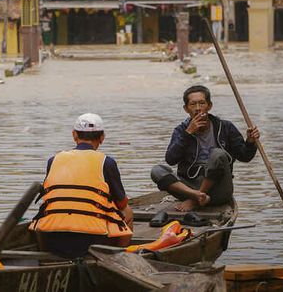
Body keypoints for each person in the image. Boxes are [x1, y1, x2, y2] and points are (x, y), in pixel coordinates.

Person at [29, 113, 133, 258]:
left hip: (52, 237)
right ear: (102, 137)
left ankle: (47, 257)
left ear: (74, 135)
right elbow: (121, 203)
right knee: (127, 211)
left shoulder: (53, 160)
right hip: (93, 239)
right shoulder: (106, 162)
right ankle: (120, 257)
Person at [151, 85, 260, 212]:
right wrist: (188, 133)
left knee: (217, 154)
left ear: (209, 106)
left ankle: (195, 200)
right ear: (186, 109)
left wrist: (251, 142)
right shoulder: (181, 130)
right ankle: (198, 196)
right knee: (157, 171)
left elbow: (245, 157)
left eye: (202, 103)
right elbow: (171, 159)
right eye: (193, 104)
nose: (198, 108)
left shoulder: (225, 127)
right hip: (189, 187)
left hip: (218, 189)